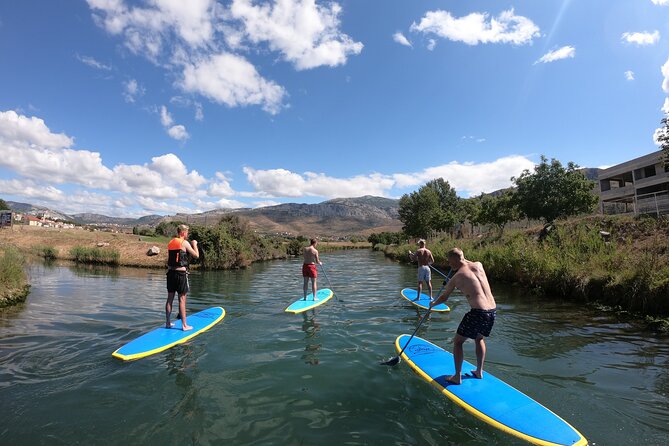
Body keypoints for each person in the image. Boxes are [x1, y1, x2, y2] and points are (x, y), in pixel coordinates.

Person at [430, 247, 497, 385]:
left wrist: (433, 304)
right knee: (479, 338)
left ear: (455, 260)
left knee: (458, 342)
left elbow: (444, 297)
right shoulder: (478, 265)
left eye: (450, 262)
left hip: (478, 313)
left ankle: (457, 376)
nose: (449, 265)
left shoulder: (457, 277)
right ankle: (479, 372)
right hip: (492, 310)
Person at [165, 224, 199, 331]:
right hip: (180, 274)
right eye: (187, 232)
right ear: (183, 232)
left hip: (170, 273)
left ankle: (168, 323)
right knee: (182, 300)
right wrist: (194, 244)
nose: (187, 234)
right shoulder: (185, 242)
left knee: (169, 299)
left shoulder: (171, 242)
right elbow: (196, 255)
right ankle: (184, 326)